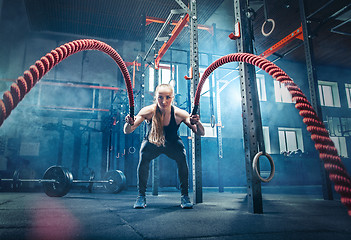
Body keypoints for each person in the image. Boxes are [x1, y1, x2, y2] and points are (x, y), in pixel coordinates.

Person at [124, 83, 205, 209]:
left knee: (182, 157)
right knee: (144, 155)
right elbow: (128, 130)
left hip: (171, 143)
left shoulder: (179, 114)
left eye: (167, 97)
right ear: (156, 97)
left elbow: (200, 132)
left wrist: (197, 122)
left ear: (172, 98)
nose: (164, 101)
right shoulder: (148, 111)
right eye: (160, 97)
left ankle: (185, 196)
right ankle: (141, 196)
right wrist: (129, 123)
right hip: (152, 142)